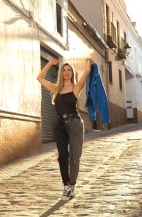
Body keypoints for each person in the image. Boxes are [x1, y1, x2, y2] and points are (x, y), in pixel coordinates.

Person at [37, 58, 92, 200]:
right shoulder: (56, 89)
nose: (66, 72)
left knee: (74, 157)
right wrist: (49, 64)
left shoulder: (76, 87)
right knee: (62, 156)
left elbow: (87, 71)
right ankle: (66, 186)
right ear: (61, 73)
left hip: (75, 124)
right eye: (64, 70)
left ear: (72, 73)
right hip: (61, 125)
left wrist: (87, 61)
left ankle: (72, 184)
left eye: (69, 70)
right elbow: (40, 78)